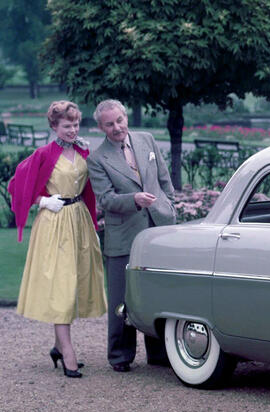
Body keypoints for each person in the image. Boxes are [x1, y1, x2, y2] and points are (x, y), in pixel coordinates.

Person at [9, 101, 107, 378]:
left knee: (75, 284)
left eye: (76, 124)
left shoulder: (83, 151)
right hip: (54, 223)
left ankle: (57, 346)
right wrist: (42, 201)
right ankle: (68, 352)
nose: (73, 130)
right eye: (67, 126)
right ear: (54, 127)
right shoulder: (43, 154)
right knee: (62, 287)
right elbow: (16, 186)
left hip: (78, 221)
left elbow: (90, 187)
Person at [86, 99, 176, 372]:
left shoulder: (146, 140)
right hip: (124, 236)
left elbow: (164, 179)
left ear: (126, 118)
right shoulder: (97, 158)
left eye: (119, 121)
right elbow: (105, 200)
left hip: (158, 229)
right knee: (122, 298)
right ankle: (120, 355)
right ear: (101, 127)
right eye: (109, 124)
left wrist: (168, 205)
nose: (117, 128)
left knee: (158, 292)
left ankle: (159, 354)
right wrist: (135, 199)